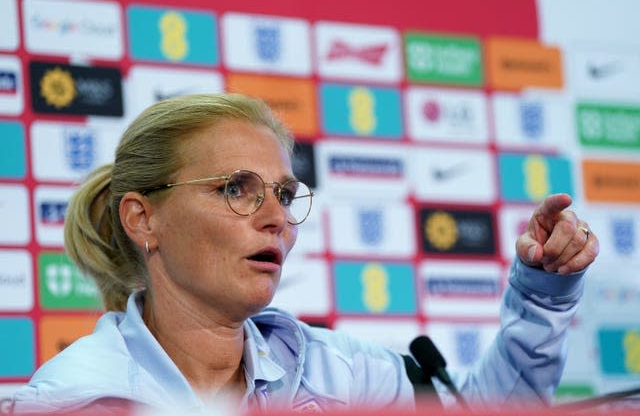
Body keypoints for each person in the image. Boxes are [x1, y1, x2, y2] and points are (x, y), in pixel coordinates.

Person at [11, 93, 598, 414]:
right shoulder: (76, 398)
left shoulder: (337, 371)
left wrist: (542, 293)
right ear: (144, 218)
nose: (276, 218)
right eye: (235, 189)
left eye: (285, 195)